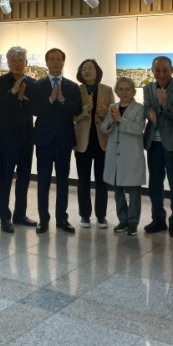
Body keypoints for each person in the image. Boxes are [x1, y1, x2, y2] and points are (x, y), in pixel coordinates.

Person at [31, 48, 82, 234]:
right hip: (44, 140)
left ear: (63, 62)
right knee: (43, 181)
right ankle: (43, 220)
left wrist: (62, 100)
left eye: (58, 59)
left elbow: (76, 110)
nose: (55, 62)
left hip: (63, 140)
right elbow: (34, 110)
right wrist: (51, 100)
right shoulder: (37, 85)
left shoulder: (72, 86)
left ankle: (62, 219)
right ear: (46, 63)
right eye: (51, 59)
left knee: (62, 181)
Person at [0, 46, 38, 233]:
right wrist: (13, 93)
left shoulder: (33, 83)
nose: (17, 63)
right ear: (8, 63)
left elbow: (36, 108)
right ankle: (5, 217)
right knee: (5, 179)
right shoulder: (1, 82)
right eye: (13, 60)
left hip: (27, 137)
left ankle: (20, 215)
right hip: (8, 138)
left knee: (24, 178)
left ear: (26, 62)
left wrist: (22, 100)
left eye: (20, 60)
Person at [142, 56, 173, 237]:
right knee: (155, 183)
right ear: (152, 71)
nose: (161, 74)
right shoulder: (147, 88)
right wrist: (149, 112)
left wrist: (164, 103)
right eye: (157, 70)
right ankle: (158, 219)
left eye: (165, 70)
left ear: (172, 70)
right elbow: (146, 108)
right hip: (154, 142)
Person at [100, 77, 146, 236]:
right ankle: (123, 220)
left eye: (127, 89)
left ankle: (132, 223)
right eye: (121, 89)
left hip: (131, 155)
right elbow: (104, 128)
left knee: (134, 191)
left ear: (133, 91)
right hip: (115, 156)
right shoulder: (113, 107)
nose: (124, 92)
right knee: (118, 190)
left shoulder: (140, 108)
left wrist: (120, 120)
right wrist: (111, 121)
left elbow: (138, 129)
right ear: (116, 91)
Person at [73, 59, 114, 229]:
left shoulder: (107, 90)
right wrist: (86, 109)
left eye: (90, 68)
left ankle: (101, 215)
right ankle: (84, 215)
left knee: (101, 181)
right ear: (80, 73)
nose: (87, 71)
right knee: (83, 180)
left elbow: (113, 116)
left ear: (97, 71)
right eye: (84, 68)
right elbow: (72, 116)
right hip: (82, 142)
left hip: (102, 141)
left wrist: (105, 113)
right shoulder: (76, 90)